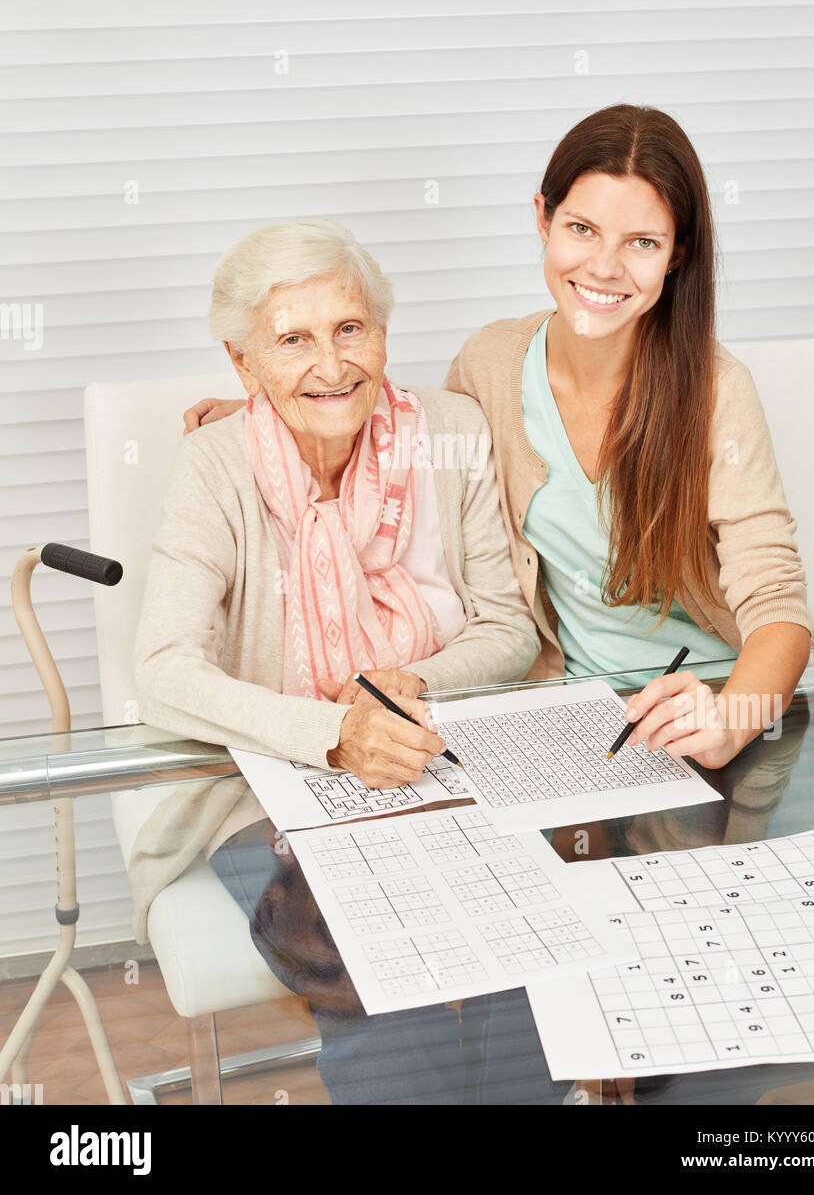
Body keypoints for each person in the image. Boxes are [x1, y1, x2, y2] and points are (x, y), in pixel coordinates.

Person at [186, 104, 814, 761]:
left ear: (677, 254)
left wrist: (730, 719)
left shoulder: (719, 389)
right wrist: (273, 403)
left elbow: (777, 602)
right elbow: (404, 430)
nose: (605, 268)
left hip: (718, 710)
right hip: (567, 722)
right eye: (582, 229)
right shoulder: (490, 365)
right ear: (543, 219)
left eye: (642, 242)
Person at [131, 217, 565, 1104]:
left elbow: (507, 629)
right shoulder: (214, 466)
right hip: (262, 785)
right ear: (244, 365)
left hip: (441, 756)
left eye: (350, 328)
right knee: (375, 976)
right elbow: (166, 672)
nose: (331, 366)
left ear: (382, 330)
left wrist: (414, 684)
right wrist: (337, 733)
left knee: (528, 949)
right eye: (292, 340)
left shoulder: (450, 431)